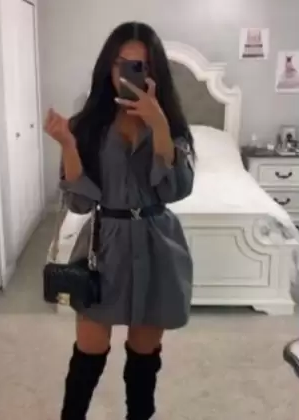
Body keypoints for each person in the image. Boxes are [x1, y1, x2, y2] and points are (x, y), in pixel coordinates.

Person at [44, 21, 195, 420]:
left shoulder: (172, 125)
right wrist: (68, 145)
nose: (127, 74)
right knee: (88, 355)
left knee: (144, 362)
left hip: (158, 247)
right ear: (107, 67)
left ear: (154, 71)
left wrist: (158, 125)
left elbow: (176, 190)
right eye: (120, 64)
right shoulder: (86, 125)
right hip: (104, 247)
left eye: (139, 66)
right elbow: (80, 203)